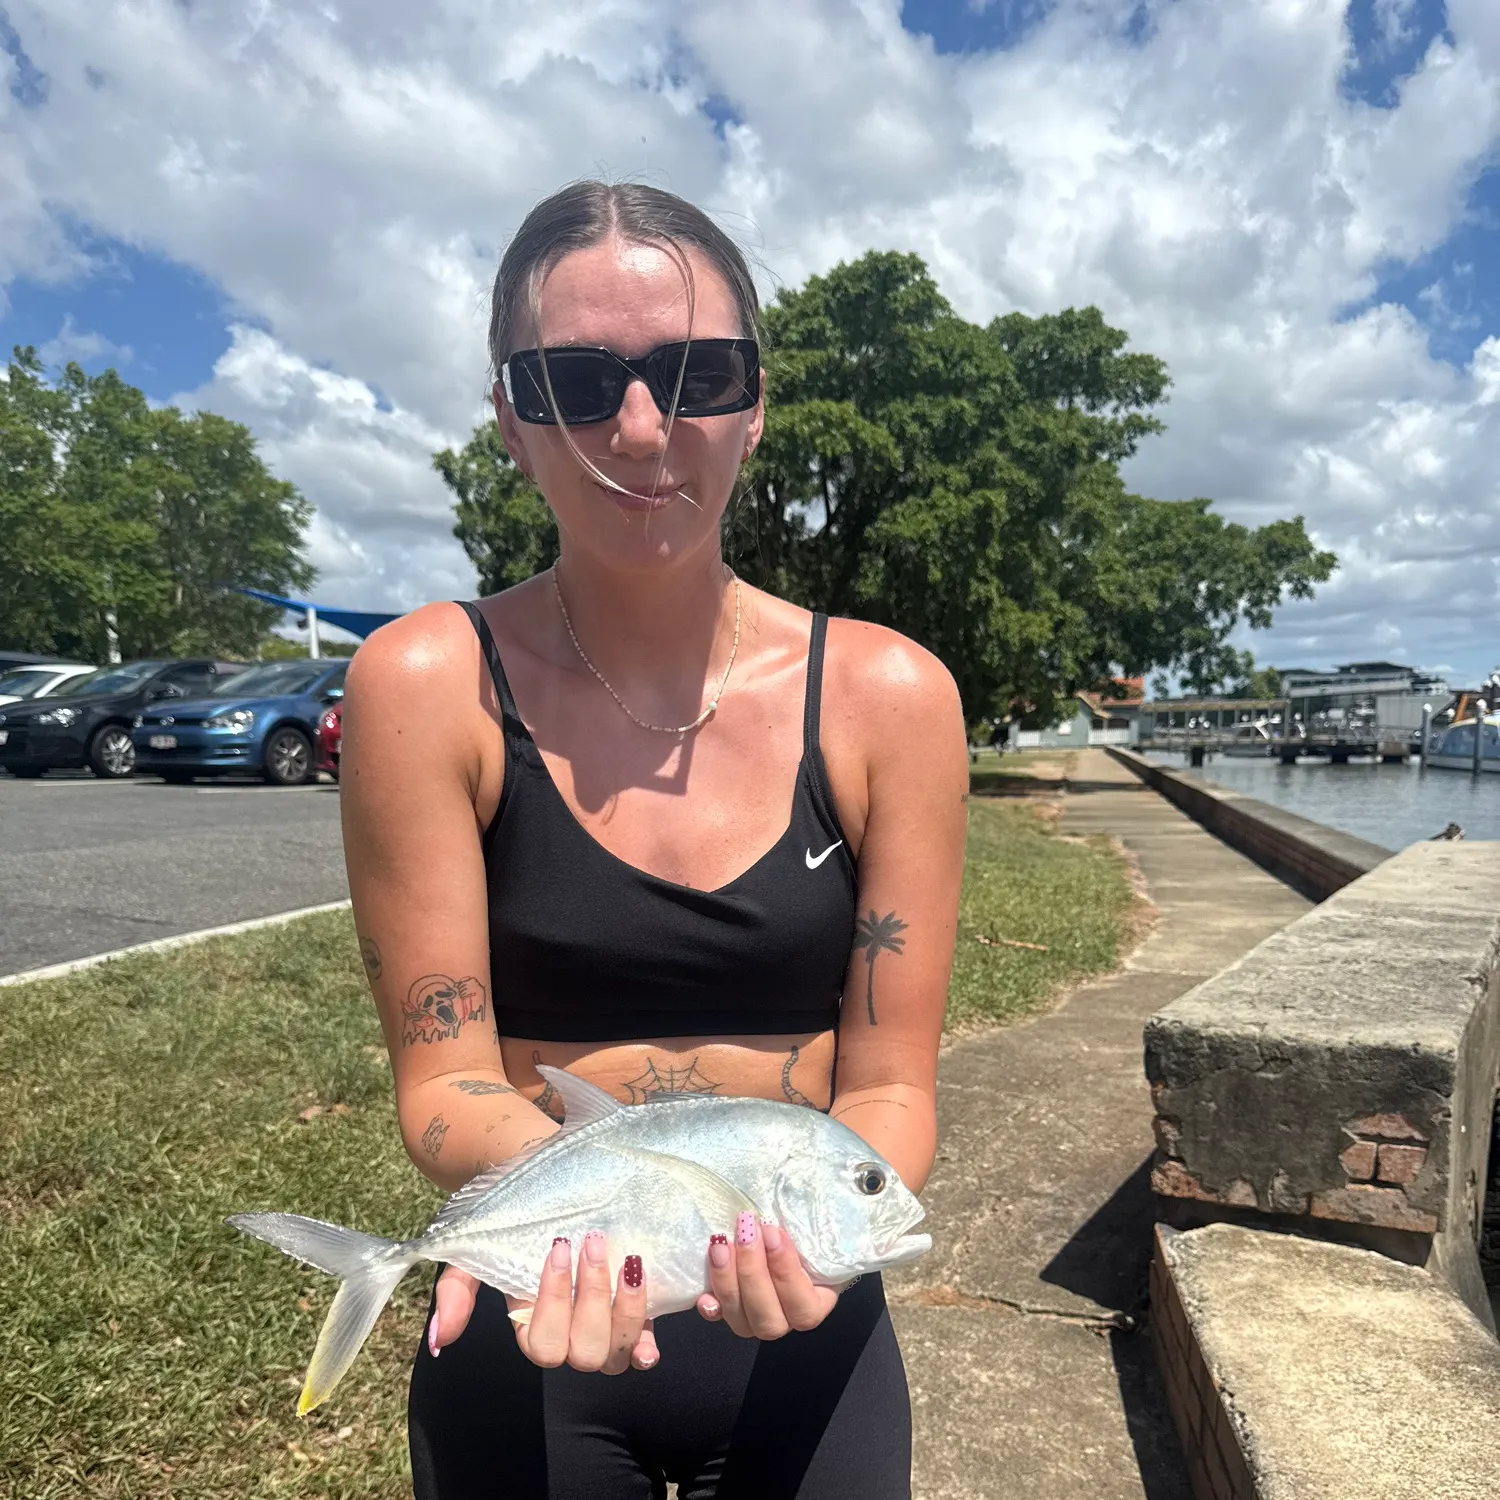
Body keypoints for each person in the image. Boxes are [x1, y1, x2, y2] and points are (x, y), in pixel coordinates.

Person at [341, 180, 968, 1500]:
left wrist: (810, 1238)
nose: (640, 427)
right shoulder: (423, 683)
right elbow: (444, 1082)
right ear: (513, 419)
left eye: (697, 373)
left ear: (755, 405)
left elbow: (892, 1085)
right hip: (542, 1320)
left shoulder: (888, 698)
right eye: (575, 380)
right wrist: (616, 1233)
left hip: (804, 1319)